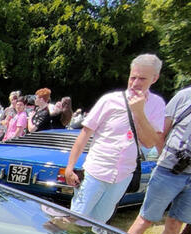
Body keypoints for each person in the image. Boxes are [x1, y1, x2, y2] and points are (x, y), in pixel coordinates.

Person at [65, 54, 165, 224]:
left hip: (123, 175)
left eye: (142, 79)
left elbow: (149, 142)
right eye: (132, 77)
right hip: (95, 170)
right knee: (75, 220)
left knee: (99, 224)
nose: (135, 83)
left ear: (154, 78)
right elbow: (84, 134)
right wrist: (70, 167)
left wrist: (139, 113)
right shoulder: (110, 100)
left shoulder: (157, 104)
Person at [126, 83, 191, 234]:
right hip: (169, 170)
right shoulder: (184, 97)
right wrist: (167, 157)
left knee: (175, 225)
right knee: (145, 219)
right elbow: (162, 132)